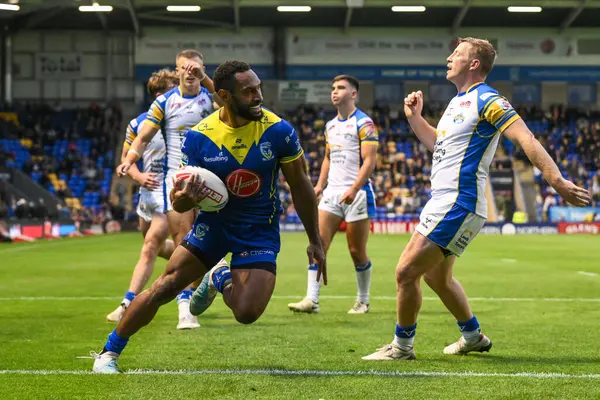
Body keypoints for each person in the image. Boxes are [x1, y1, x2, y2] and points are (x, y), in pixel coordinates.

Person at [363, 37, 591, 361]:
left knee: (405, 272)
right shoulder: (457, 102)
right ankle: (472, 336)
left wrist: (556, 179)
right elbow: (438, 146)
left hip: (458, 201)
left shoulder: (488, 99)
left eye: (457, 54)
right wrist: (414, 117)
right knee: (436, 277)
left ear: (473, 64)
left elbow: (525, 136)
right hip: (444, 199)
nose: (448, 57)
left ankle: (402, 347)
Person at [92, 60, 326, 374]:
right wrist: (183, 200)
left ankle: (220, 277)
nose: (258, 97)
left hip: (258, 231)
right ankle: (108, 353)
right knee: (165, 286)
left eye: (258, 89)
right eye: (249, 92)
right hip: (213, 227)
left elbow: (300, 185)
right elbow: (178, 201)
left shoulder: (278, 131)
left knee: (246, 313)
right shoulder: (199, 137)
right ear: (225, 97)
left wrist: (315, 240)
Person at [116, 50, 222, 329]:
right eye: (184, 68)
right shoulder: (165, 102)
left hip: (213, 176)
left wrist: (207, 80)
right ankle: (185, 309)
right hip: (178, 179)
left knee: (211, 243)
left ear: (202, 69)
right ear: (176, 71)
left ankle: (208, 281)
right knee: (184, 241)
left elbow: (232, 106)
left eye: (195, 68)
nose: (189, 72)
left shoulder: (211, 99)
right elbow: (143, 136)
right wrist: (129, 160)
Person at [287, 75, 378, 314]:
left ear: (353, 94)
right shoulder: (330, 126)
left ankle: (363, 300)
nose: (334, 92)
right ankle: (311, 300)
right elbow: (328, 158)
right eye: (333, 88)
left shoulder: (364, 123)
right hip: (332, 194)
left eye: (341, 88)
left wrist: (354, 189)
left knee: (356, 251)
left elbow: (369, 161)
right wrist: (318, 186)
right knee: (318, 245)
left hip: (356, 193)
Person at [106, 69, 180, 324]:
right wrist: (138, 177)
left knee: (149, 247)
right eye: (173, 89)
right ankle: (204, 264)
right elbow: (127, 159)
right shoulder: (138, 124)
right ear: (159, 94)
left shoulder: (180, 121)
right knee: (157, 247)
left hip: (168, 193)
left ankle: (127, 304)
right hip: (146, 195)